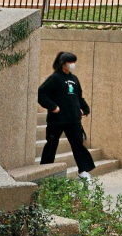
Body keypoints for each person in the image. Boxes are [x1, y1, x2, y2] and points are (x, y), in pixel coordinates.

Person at [37, 52, 96, 181]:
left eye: (74, 62)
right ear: (63, 63)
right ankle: (44, 172)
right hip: (57, 120)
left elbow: (78, 97)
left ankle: (83, 171)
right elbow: (41, 93)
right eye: (70, 62)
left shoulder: (74, 79)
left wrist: (84, 109)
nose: (73, 64)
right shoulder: (55, 78)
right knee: (51, 145)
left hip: (73, 119)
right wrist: (53, 107)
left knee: (77, 145)